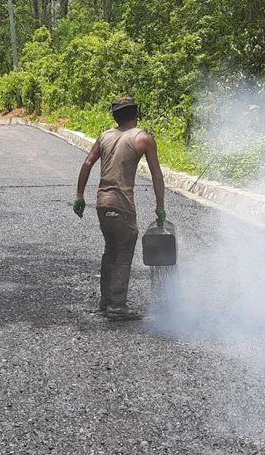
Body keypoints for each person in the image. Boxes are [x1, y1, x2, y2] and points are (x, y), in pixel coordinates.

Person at [74, 96, 166, 321]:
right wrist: (160, 207)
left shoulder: (104, 136)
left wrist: (79, 196)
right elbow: (156, 173)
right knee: (123, 255)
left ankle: (106, 302)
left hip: (102, 204)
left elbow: (87, 163)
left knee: (110, 251)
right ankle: (117, 307)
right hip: (122, 206)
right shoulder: (142, 138)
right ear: (136, 113)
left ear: (115, 116)